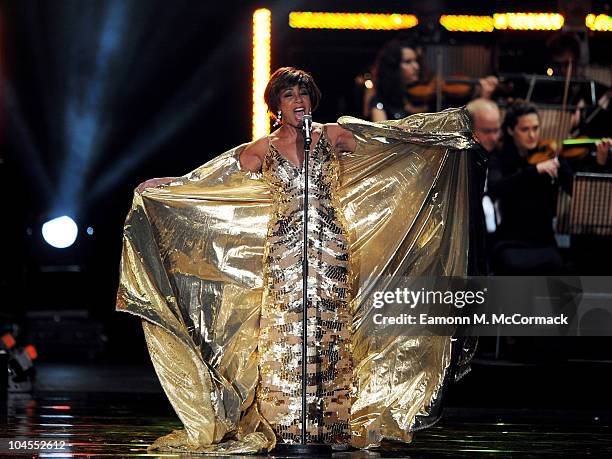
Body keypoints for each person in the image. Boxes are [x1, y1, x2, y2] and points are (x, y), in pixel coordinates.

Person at [118, 67, 483, 453]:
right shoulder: (263, 147)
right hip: (285, 250)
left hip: (330, 248)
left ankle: (331, 424)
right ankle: (286, 421)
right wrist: (171, 186)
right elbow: (216, 179)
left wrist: (439, 137)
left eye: (304, 94)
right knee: (288, 331)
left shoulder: (331, 135)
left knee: (328, 331)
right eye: (290, 95)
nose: (299, 102)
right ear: (276, 105)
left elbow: (386, 148)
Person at [486, 100, 573, 275]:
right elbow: (495, 189)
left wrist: (565, 170)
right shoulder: (500, 159)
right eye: (525, 129)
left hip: (544, 241)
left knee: (560, 266)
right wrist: (534, 170)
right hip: (510, 240)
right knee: (510, 265)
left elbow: (574, 190)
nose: (532, 135)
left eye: (535, 128)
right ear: (511, 130)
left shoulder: (549, 157)